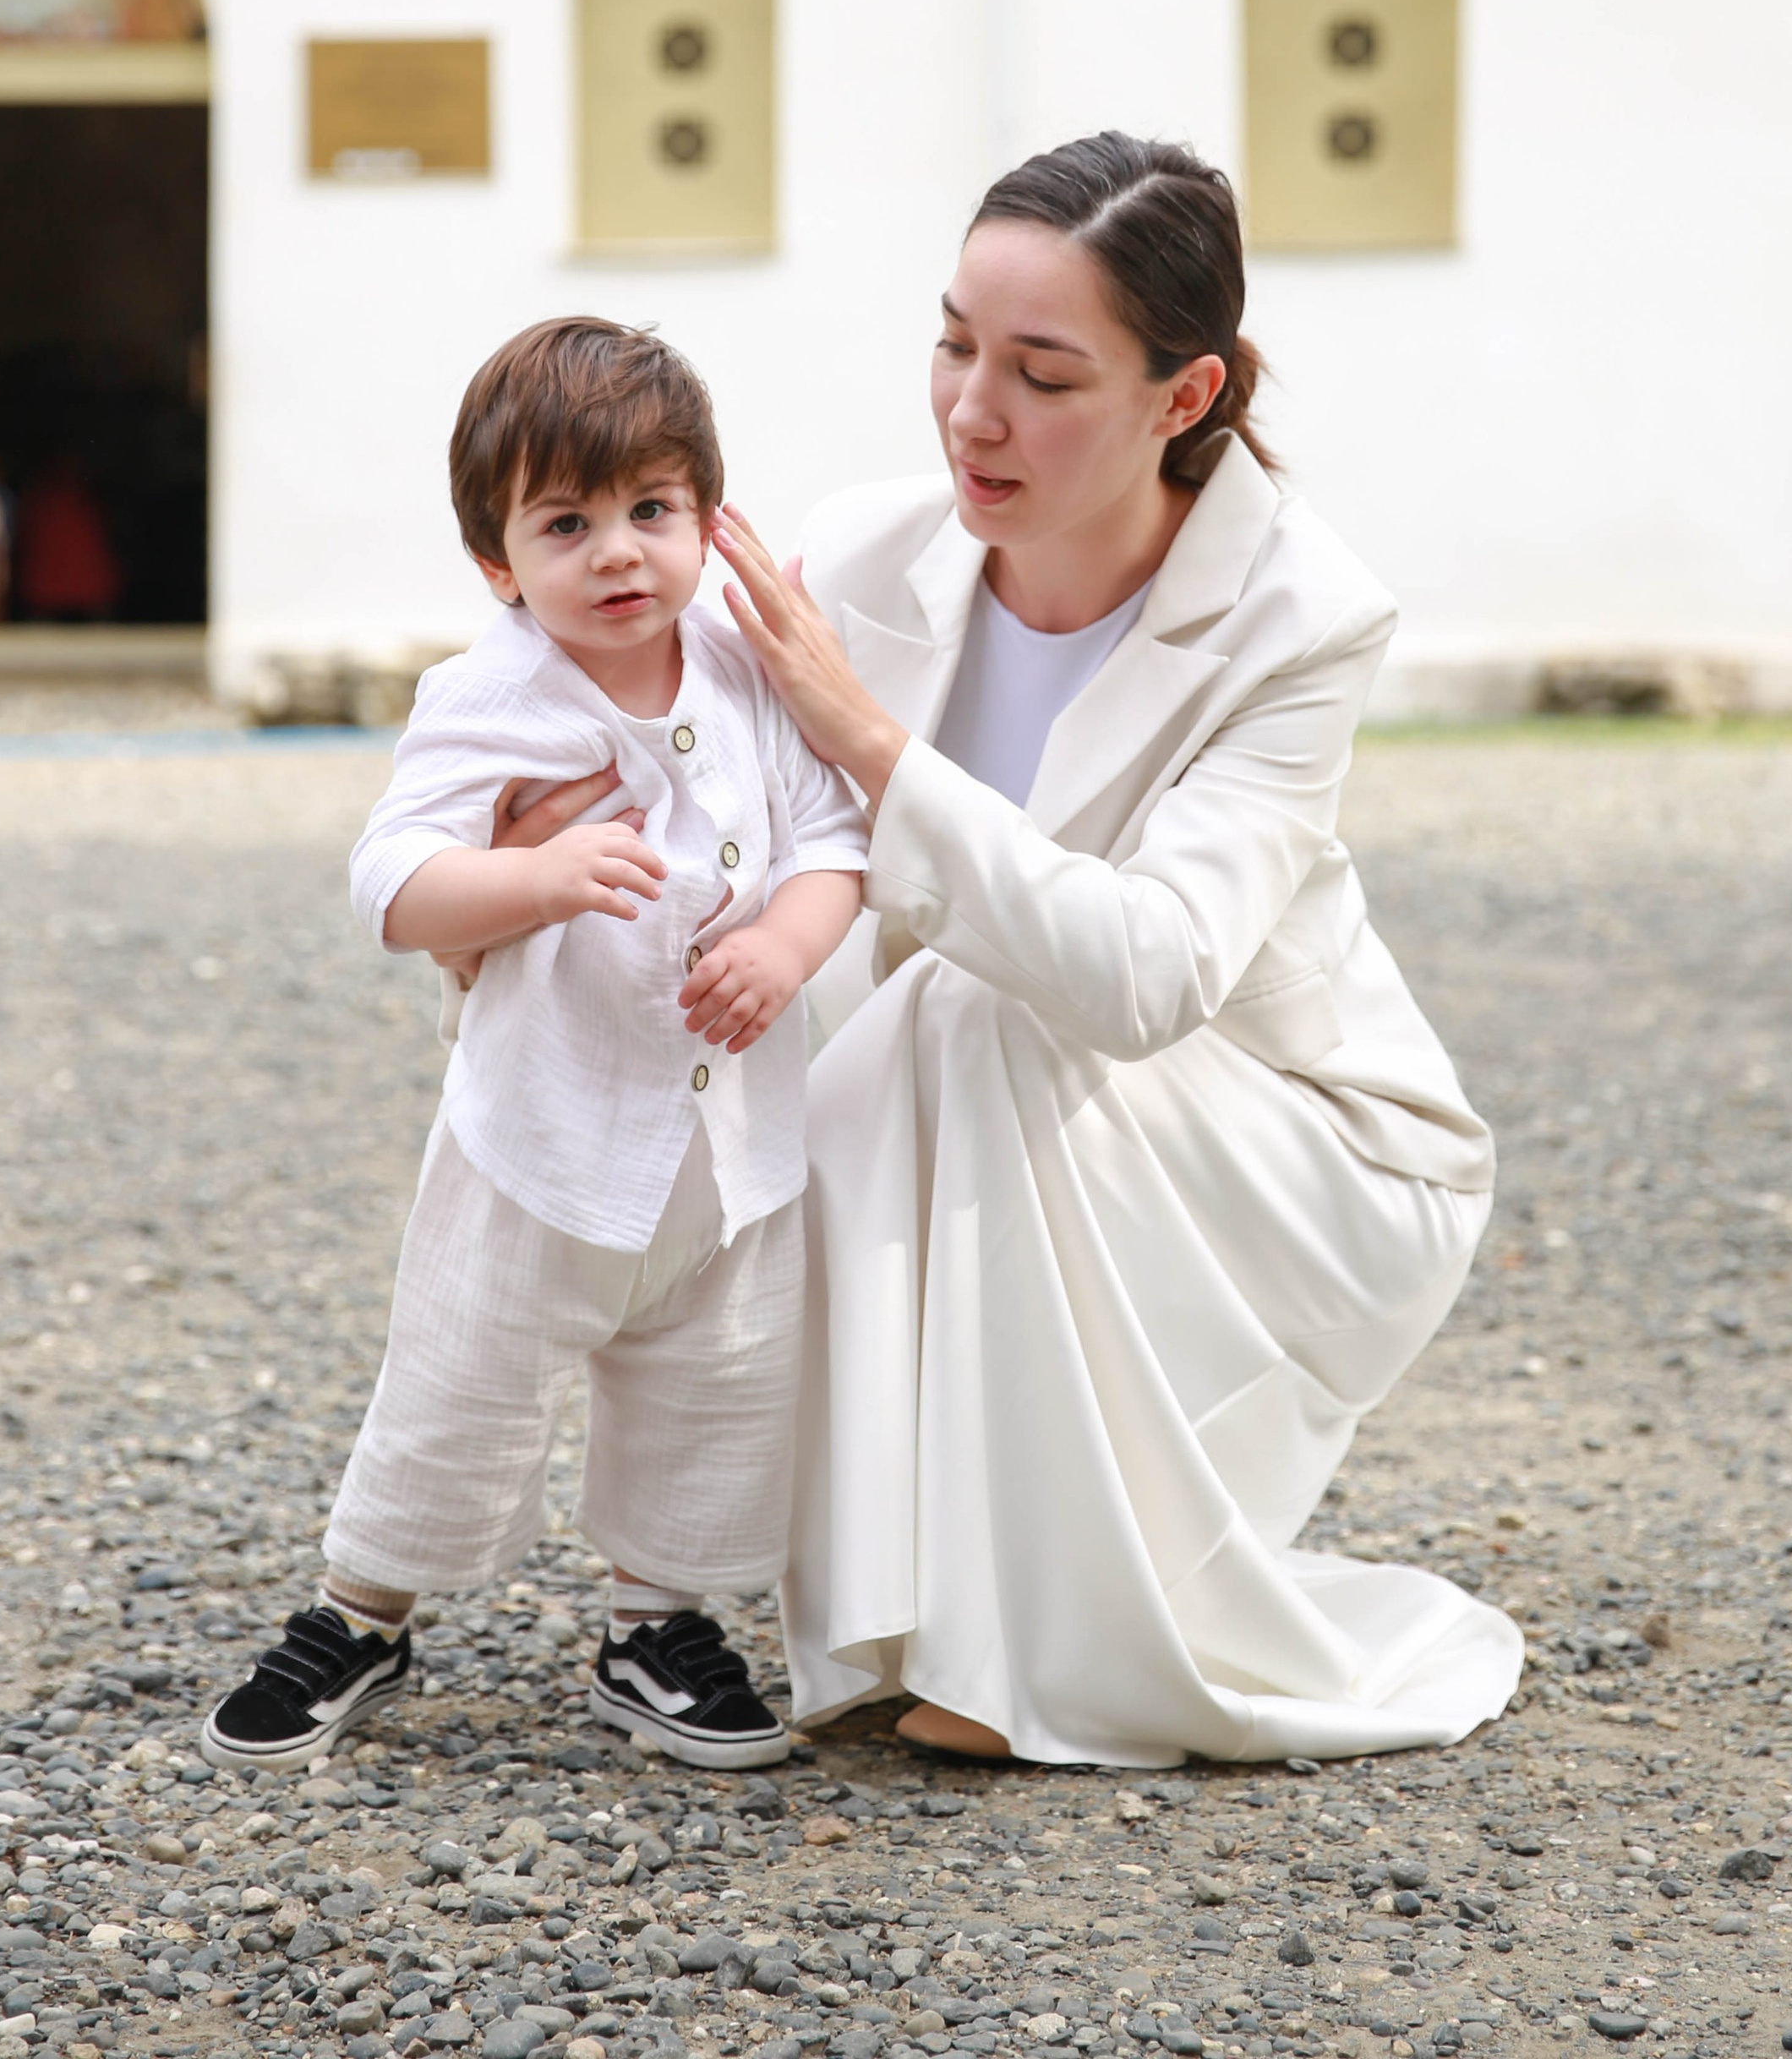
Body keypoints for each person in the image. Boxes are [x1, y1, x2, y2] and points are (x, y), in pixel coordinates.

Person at [714, 131, 1521, 1767]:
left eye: (1043, 372)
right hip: (1019, 1103)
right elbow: (701, 814)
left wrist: (876, 752)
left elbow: (1149, 981)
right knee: (921, 1030)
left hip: (1312, 1142)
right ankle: (911, 1608)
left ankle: (1034, 1653)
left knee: (970, 1004)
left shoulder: (1303, 614)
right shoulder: (864, 560)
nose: (972, 411)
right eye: (953, 343)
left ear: (1183, 394)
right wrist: (517, 874)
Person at [198, 318, 867, 1776]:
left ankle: (657, 1625)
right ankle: (361, 1609)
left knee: (720, 1382)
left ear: (705, 514)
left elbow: (833, 841)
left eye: (652, 511)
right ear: (500, 562)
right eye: (568, 525)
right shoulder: (494, 693)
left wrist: (785, 947)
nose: (618, 553)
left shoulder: (744, 670)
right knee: (463, 1377)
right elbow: (395, 883)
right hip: (544, 1133)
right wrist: (537, 880)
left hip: (730, 1146)